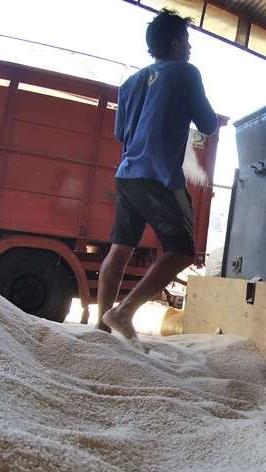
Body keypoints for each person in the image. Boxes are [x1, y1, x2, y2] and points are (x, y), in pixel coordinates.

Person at [97, 9, 219, 339]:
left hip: (128, 174)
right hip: (159, 175)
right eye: (188, 40)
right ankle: (122, 313)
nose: (190, 47)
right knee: (181, 251)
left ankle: (100, 328)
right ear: (177, 42)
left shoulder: (131, 83)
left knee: (120, 249)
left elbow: (121, 133)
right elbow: (207, 124)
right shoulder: (185, 73)